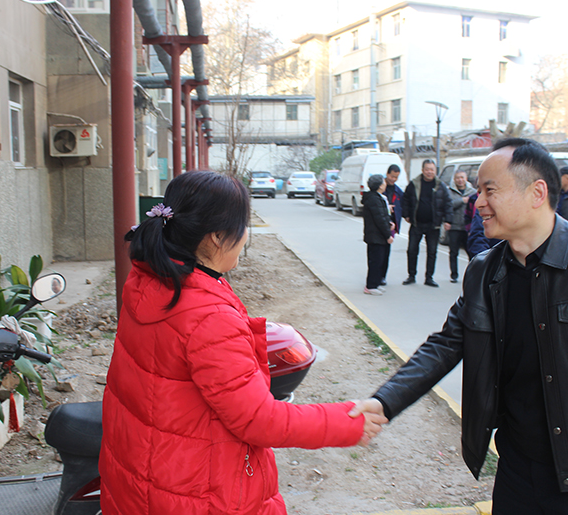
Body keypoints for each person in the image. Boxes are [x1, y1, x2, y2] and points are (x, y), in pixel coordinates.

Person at [351, 138, 568, 514]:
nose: (478, 202)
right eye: (478, 191)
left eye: (490, 190)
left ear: (537, 193)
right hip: (517, 468)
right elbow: (445, 345)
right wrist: (384, 402)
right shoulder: (485, 271)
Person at [100, 171, 387, 514]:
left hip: (144, 479)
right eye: (243, 226)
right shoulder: (207, 315)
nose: (246, 234)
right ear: (217, 237)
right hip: (195, 493)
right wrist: (347, 422)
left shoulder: (148, 279)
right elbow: (259, 419)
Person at [402, 160, 452, 287]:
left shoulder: (441, 186)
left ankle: (429, 277)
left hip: (433, 225)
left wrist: (448, 220)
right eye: (427, 169)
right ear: (422, 170)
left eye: (432, 169)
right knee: (412, 250)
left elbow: (448, 203)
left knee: (432, 252)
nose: (429, 172)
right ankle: (411, 275)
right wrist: (406, 214)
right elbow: (405, 199)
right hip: (416, 224)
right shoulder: (414, 184)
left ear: (435, 171)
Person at [362, 174, 395, 295]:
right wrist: (388, 235)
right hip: (375, 236)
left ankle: (375, 284)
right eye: (384, 182)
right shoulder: (374, 199)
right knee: (375, 261)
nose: (385, 184)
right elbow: (379, 218)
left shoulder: (378, 198)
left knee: (380, 260)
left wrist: (389, 223)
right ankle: (370, 286)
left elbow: (383, 215)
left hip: (378, 235)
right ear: (380, 185)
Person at [447, 170, 477, 283]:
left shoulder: (472, 192)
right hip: (454, 226)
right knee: (453, 252)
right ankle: (454, 275)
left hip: (468, 228)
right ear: (454, 179)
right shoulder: (449, 192)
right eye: (458, 178)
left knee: (470, 252)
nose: (460, 180)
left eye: (462, 177)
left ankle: (471, 274)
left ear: (466, 179)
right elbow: (448, 205)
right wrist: (462, 200)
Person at [381, 164, 404, 286]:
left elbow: (404, 206)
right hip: (380, 223)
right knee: (378, 252)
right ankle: (375, 276)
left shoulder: (398, 191)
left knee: (386, 252)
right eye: (392, 176)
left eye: (396, 177)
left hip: (391, 226)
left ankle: (382, 276)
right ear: (387, 174)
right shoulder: (380, 188)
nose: (393, 179)